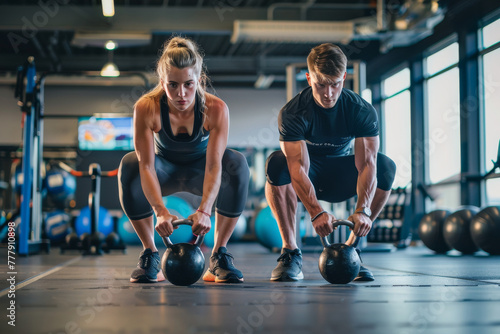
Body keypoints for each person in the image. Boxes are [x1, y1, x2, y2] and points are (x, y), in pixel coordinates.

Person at [118, 37, 249, 284]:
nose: (181, 94)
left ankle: (219, 255)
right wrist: (160, 211)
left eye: (189, 84)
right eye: (173, 85)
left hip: (201, 172)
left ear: (198, 80)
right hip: (162, 172)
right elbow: (146, 165)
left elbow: (214, 165)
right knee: (129, 165)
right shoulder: (147, 107)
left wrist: (205, 211)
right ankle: (150, 255)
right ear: (162, 82)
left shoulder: (216, 108)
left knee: (237, 163)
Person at [265, 43, 396, 282]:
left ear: (344, 77)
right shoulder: (293, 112)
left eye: (335, 84)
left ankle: (352, 250)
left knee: (385, 166)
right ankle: (291, 252)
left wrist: (363, 210)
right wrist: (315, 212)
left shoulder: (361, 110)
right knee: (276, 163)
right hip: (309, 174)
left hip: (342, 175)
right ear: (308, 78)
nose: (328, 93)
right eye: (320, 84)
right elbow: (297, 168)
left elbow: (367, 164)